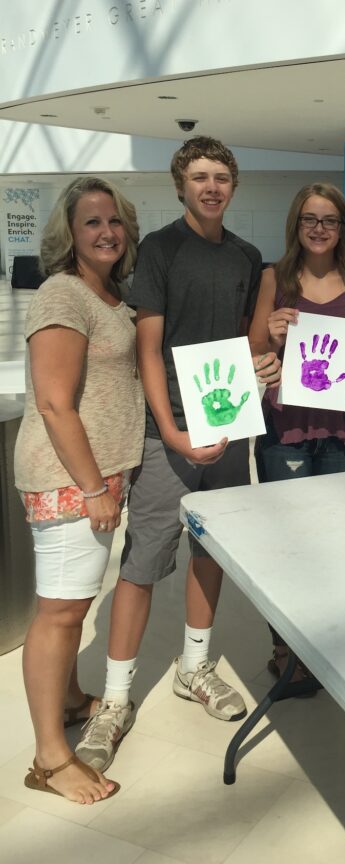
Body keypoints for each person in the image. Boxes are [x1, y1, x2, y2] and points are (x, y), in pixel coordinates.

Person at [76, 137, 281, 772]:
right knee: (144, 558)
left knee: (210, 551)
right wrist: (169, 432)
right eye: (199, 177)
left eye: (221, 176)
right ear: (180, 185)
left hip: (226, 423)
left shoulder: (248, 258)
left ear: (234, 186)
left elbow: (245, 347)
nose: (211, 187)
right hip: (167, 431)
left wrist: (265, 362)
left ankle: (194, 668)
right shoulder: (160, 252)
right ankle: (113, 701)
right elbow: (149, 349)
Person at [14, 176, 144, 804]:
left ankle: (66, 699)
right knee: (60, 612)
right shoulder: (63, 294)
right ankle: (49, 759)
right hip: (72, 480)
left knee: (75, 601)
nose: (106, 232)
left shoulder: (107, 293)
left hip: (97, 477)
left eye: (115, 220)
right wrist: (93, 486)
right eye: (92, 222)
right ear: (69, 232)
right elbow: (53, 402)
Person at [249, 183, 345, 681]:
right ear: (296, 225)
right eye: (310, 219)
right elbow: (254, 347)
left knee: (333, 538)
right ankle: (285, 648)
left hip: (338, 425)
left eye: (329, 220)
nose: (319, 229)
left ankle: (323, 638)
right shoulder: (274, 278)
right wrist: (272, 337)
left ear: (343, 227)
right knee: (287, 540)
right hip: (286, 426)